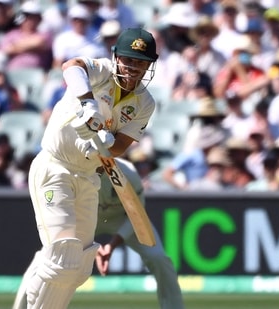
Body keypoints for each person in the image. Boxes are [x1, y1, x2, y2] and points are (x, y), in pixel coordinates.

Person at [19, 27, 159, 308]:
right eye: (129, 61)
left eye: (140, 63)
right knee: (63, 255)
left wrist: (102, 145)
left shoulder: (145, 102)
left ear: (149, 66)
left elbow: (120, 147)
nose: (133, 69)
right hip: (54, 167)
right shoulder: (102, 71)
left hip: (87, 177)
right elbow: (70, 66)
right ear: (116, 57)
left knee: (79, 266)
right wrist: (87, 103)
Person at [12, 158, 184, 309]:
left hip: (122, 219)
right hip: (86, 219)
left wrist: (111, 246)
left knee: (159, 258)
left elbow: (136, 215)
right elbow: (69, 213)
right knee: (47, 258)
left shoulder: (128, 175)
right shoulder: (73, 174)